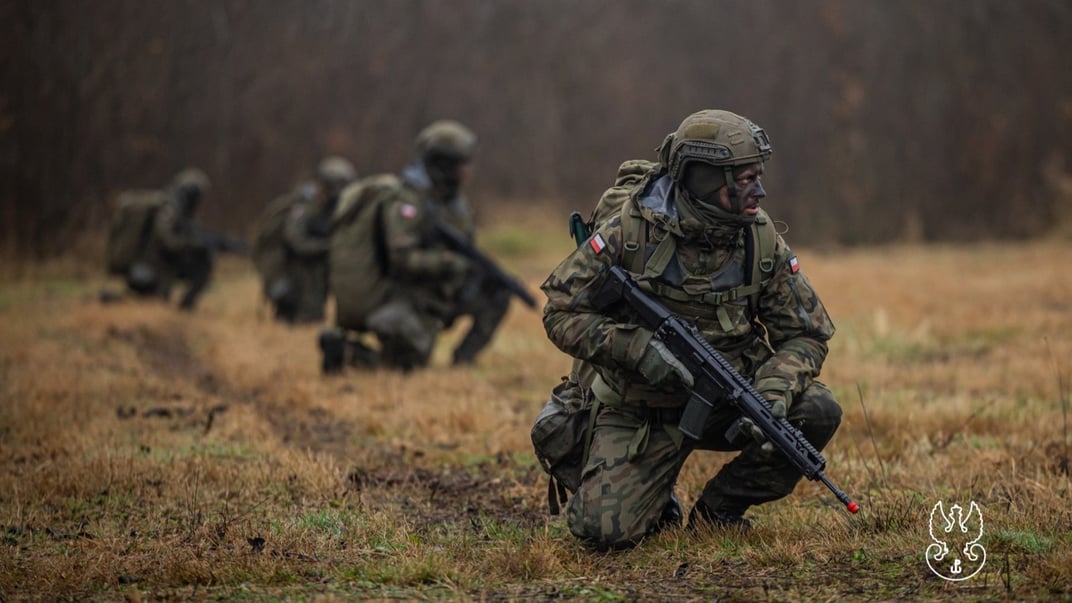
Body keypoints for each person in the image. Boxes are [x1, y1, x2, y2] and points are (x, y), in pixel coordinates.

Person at [540, 109, 843, 550]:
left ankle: (719, 510)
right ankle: (654, 500)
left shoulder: (758, 239)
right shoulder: (630, 229)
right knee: (601, 531)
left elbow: (807, 334)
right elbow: (561, 310)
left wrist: (774, 390)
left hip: (727, 400)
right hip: (642, 408)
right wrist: (636, 347)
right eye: (743, 180)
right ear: (702, 178)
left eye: (758, 176)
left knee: (817, 411)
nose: (759, 190)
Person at [321, 120, 511, 372]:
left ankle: (463, 360)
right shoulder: (407, 201)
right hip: (407, 297)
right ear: (444, 164)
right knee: (407, 366)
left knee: (497, 292)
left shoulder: (455, 204)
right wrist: (448, 263)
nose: (468, 171)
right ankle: (346, 351)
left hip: (443, 292)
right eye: (462, 164)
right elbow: (401, 259)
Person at [254, 156, 356, 323]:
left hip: (314, 274)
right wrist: (329, 246)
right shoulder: (304, 207)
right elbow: (297, 243)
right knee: (304, 318)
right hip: (296, 274)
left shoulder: (329, 210)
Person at [108, 168, 217, 310]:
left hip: (155, 266)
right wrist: (191, 245)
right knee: (150, 304)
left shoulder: (177, 209)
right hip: (149, 267)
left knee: (151, 303)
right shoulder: (169, 208)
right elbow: (167, 240)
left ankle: (184, 308)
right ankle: (110, 300)